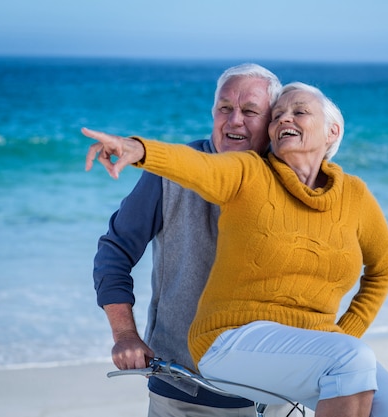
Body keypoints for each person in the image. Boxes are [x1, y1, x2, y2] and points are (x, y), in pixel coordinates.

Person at [84, 82, 388, 417]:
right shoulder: (247, 172)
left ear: (333, 132)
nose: (235, 121)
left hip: (285, 379)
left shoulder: (353, 194)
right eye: (224, 109)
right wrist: (139, 149)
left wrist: (344, 333)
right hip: (194, 376)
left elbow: (382, 269)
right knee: (352, 356)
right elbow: (193, 165)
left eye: (296, 112)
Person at [92, 63, 308, 417]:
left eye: (250, 111)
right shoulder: (170, 175)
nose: (234, 120)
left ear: (272, 122)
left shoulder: (293, 180)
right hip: (185, 393)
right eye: (225, 108)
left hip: (278, 395)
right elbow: (114, 250)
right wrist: (124, 335)